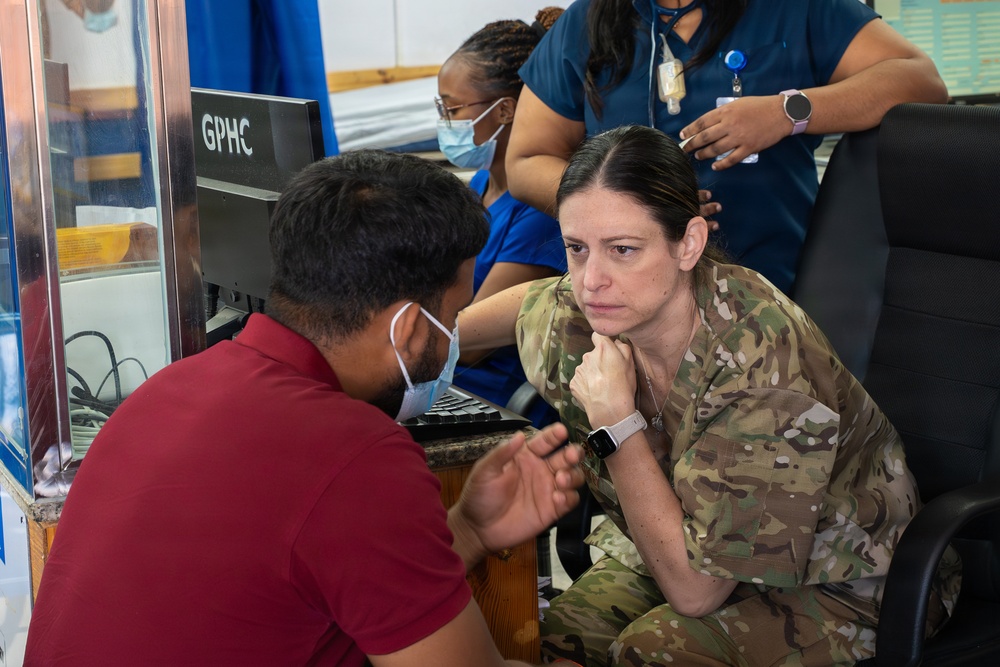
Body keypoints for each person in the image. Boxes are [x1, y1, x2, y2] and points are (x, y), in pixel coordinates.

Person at [24, 150, 585, 666]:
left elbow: (310, 588)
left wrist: (466, 528)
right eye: (455, 316)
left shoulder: (172, 387)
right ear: (410, 327)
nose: (455, 336)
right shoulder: (356, 455)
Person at [459, 125, 960, 666]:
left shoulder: (761, 360)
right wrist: (399, 354)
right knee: (545, 639)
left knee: (648, 655)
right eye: (576, 248)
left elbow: (697, 592)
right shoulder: (591, 307)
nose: (590, 281)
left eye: (623, 250)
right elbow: (521, 307)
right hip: (680, 545)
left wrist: (616, 423)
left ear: (688, 244)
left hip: (849, 579)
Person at [505, 0, 947, 294]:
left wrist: (788, 111)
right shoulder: (587, 22)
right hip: (631, 299)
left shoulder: (798, 8)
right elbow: (526, 161)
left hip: (773, 287)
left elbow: (920, 80)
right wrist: (625, 204)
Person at [436, 8, 567, 423]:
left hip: (490, 397)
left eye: (452, 110)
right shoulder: (480, 185)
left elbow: (470, 346)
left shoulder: (540, 212)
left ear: (505, 111)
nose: (444, 123)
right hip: (444, 378)